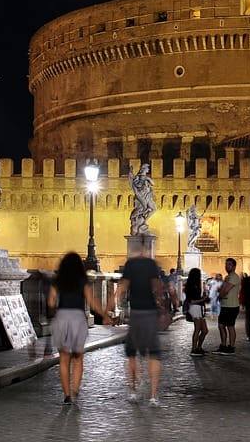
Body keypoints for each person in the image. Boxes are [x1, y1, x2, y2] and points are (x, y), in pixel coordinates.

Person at [47, 252, 110, 404]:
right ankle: (75, 391)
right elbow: (91, 302)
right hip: (77, 319)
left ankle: (67, 394)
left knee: (64, 359)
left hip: (62, 317)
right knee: (78, 358)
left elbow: (51, 302)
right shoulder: (83, 282)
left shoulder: (58, 281)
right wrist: (104, 314)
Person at [115, 240, 165, 406]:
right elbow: (157, 287)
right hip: (150, 312)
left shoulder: (130, 264)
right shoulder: (151, 264)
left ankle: (133, 390)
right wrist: (161, 304)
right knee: (154, 353)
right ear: (148, 248)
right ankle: (153, 395)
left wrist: (111, 308)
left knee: (131, 352)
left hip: (136, 313)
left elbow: (122, 288)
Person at [215, 258, 241, 354]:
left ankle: (231, 347)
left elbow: (226, 290)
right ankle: (223, 345)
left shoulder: (234, 277)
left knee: (230, 326)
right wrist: (220, 292)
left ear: (234, 266)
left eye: (229, 264)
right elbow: (222, 289)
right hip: (225, 305)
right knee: (221, 325)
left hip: (231, 306)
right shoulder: (227, 277)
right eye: (226, 264)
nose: (227, 266)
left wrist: (219, 296)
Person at [184, 268, 209, 356]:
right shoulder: (191, 286)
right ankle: (194, 349)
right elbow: (191, 301)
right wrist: (203, 299)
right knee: (197, 330)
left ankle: (199, 347)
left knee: (205, 330)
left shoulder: (196, 285)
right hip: (194, 308)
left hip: (198, 308)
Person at [127, 163, 156, 234]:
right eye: (147, 168)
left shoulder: (146, 177)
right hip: (141, 195)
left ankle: (144, 221)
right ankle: (139, 223)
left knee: (154, 209)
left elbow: (153, 183)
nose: (148, 169)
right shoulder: (138, 176)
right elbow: (135, 184)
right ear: (144, 169)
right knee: (141, 209)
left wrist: (147, 178)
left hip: (147, 195)